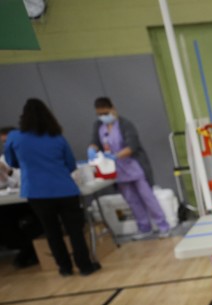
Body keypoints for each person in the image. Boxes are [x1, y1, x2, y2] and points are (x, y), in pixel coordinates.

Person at [4, 99, 101, 276]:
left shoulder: (15, 137)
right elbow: (71, 165)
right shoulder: (57, 137)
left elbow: (11, 162)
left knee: (51, 231)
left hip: (36, 192)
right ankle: (85, 266)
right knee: (74, 231)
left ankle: (64, 268)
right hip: (64, 190)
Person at [88, 97, 171, 240]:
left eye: (105, 113)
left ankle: (163, 226)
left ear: (113, 108)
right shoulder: (98, 126)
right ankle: (144, 227)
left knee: (147, 197)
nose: (103, 117)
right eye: (100, 114)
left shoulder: (125, 124)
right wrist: (92, 149)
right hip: (118, 171)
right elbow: (95, 142)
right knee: (132, 200)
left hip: (134, 167)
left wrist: (115, 156)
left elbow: (132, 146)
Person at [0, 126, 39, 268]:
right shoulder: (4, 159)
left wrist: (9, 173)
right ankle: (24, 250)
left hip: (32, 199)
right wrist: (3, 176)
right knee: (4, 219)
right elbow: (6, 184)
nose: (6, 145)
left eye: (7, 141)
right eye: (3, 142)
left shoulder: (31, 154)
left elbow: (25, 180)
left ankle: (31, 252)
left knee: (33, 220)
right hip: (13, 200)